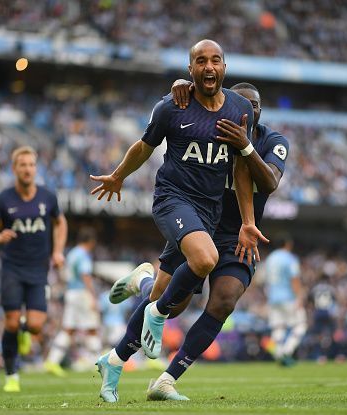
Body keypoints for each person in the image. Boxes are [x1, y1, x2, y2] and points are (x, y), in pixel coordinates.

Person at [90, 39, 265, 403]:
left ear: (225, 68)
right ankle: (155, 310)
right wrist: (119, 174)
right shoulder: (172, 106)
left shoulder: (237, 108)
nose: (209, 66)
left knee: (173, 298)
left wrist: (248, 220)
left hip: (209, 212)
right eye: (200, 60)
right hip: (173, 200)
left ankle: (114, 359)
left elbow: (241, 170)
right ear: (191, 70)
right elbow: (144, 145)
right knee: (204, 260)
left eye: (215, 59)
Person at [0, 145, 67, 392]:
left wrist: (58, 251)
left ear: (35, 169)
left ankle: (26, 331)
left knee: (36, 325)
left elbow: (61, 222)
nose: (27, 169)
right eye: (23, 165)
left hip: (39, 270)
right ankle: (11, 376)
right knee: (11, 322)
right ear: (14, 168)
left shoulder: (48, 197)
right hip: (12, 268)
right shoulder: (2, 199)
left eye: (31, 165)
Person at [44, 228, 101, 377]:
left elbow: (64, 274)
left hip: (71, 292)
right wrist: (93, 296)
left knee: (68, 329)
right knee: (92, 327)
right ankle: (98, 363)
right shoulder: (83, 255)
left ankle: (52, 360)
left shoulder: (71, 254)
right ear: (91, 242)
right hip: (82, 293)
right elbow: (85, 275)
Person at [263, 235, 306, 366]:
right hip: (288, 297)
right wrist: (299, 297)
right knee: (300, 325)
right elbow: (295, 279)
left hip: (273, 298)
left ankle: (278, 353)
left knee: (278, 327)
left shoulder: (270, 259)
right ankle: (287, 351)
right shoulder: (290, 258)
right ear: (288, 244)